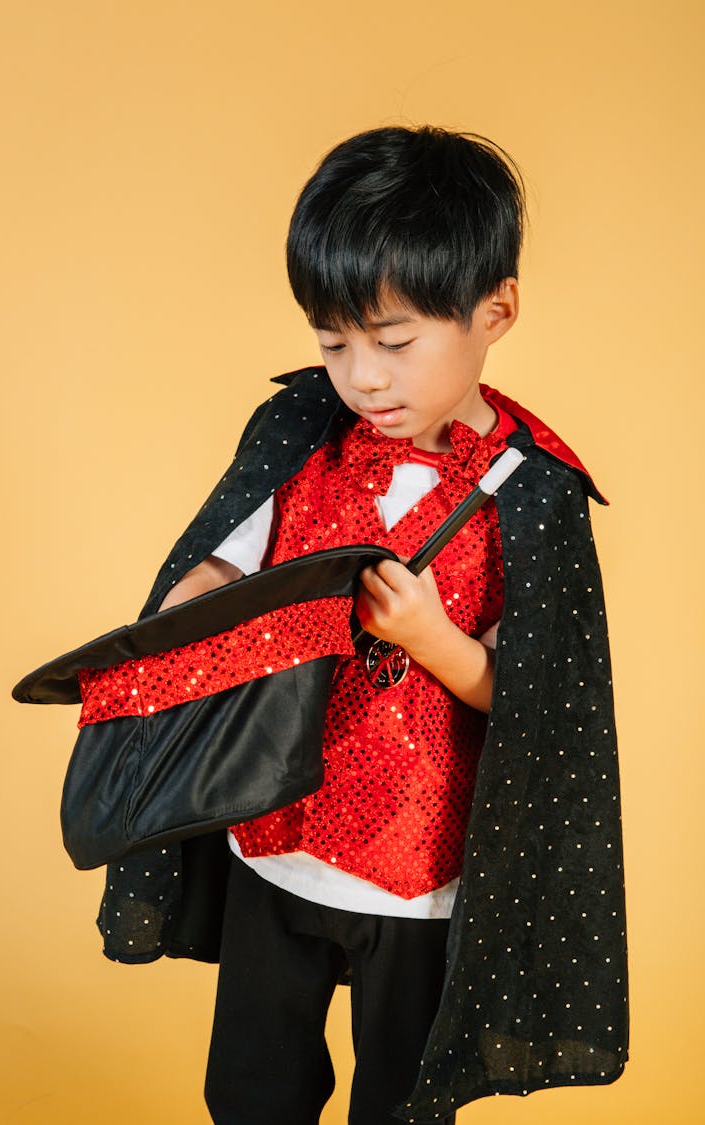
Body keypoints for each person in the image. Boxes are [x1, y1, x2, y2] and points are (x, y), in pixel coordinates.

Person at [94, 126, 628, 1124]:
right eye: (334, 342)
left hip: (420, 872)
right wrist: (196, 591)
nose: (363, 378)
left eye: (394, 342)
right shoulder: (300, 435)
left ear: (495, 310)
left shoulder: (535, 492)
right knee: (256, 1082)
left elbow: (543, 703)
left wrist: (440, 644)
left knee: (401, 1094)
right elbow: (223, 556)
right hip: (275, 830)